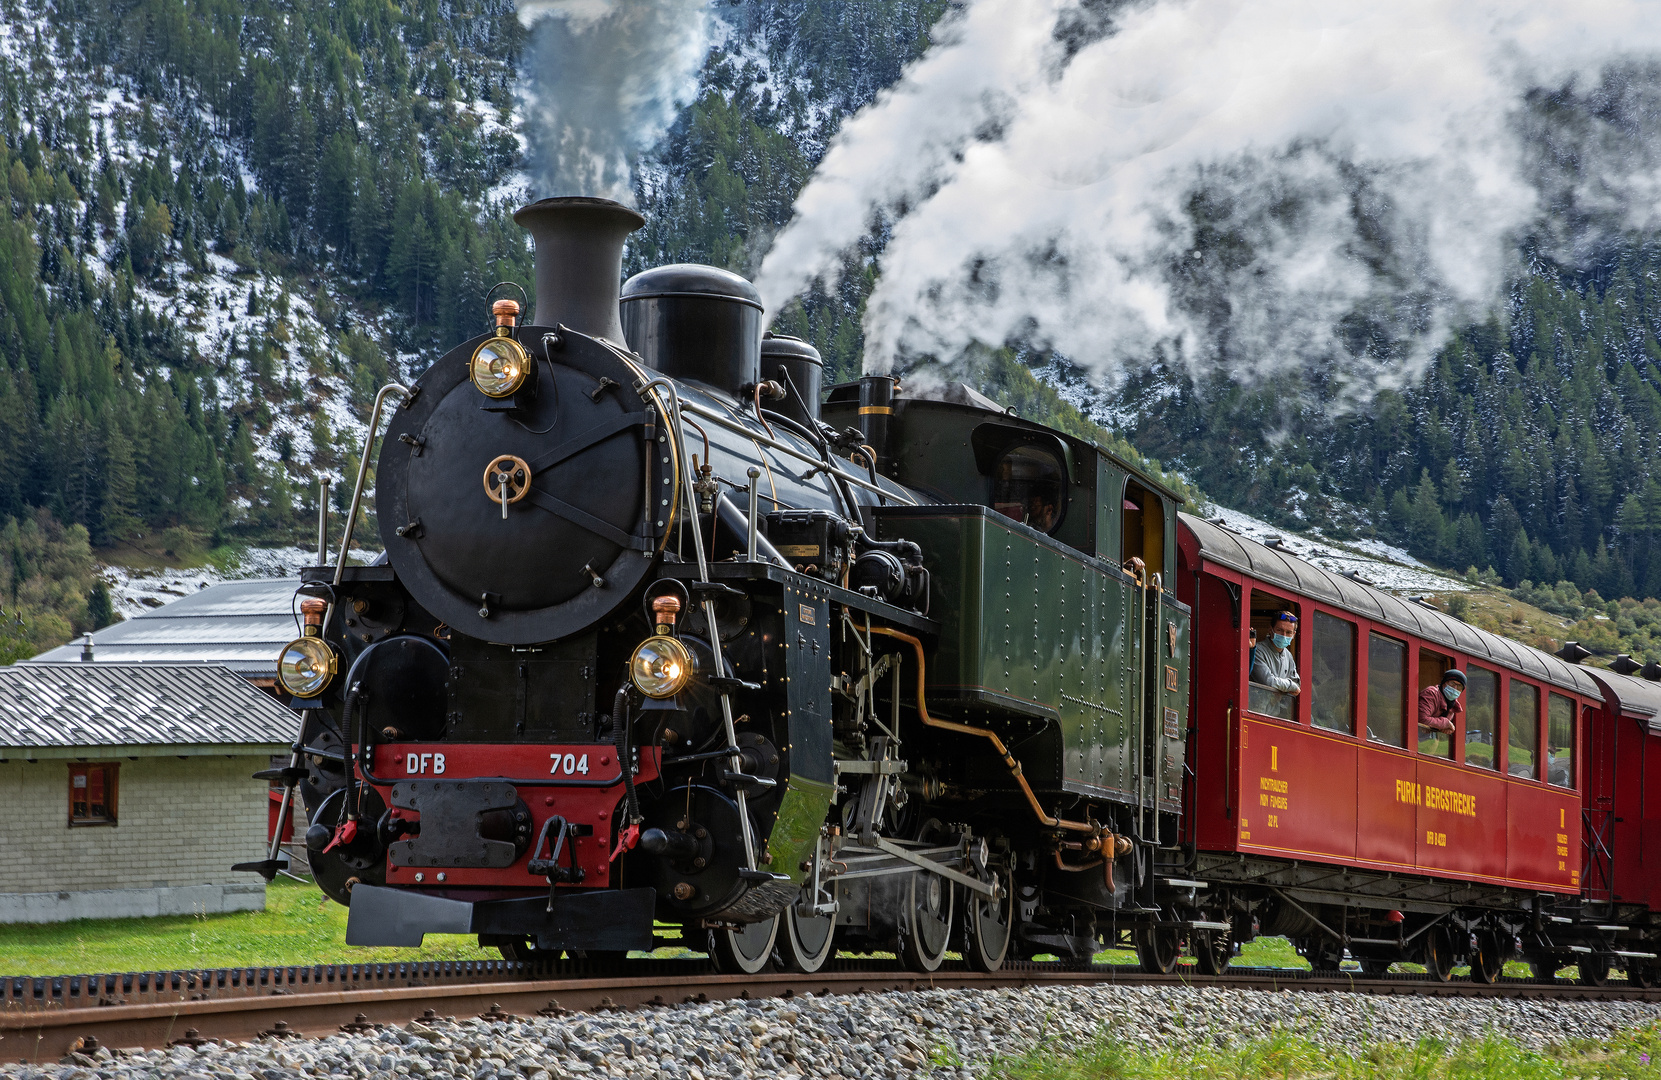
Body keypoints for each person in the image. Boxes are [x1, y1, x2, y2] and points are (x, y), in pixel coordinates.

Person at [1251, 613, 1301, 695]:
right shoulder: (1258, 651)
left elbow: (1297, 684)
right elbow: (1268, 682)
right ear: (1270, 630)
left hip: (1276, 707)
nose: (1284, 636)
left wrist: (1285, 685)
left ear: (1293, 635)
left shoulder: (1288, 655)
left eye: (1288, 632)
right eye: (1279, 630)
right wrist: (1290, 685)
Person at [1419, 669, 1465, 735]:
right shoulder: (1430, 694)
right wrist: (1445, 723)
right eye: (1452, 683)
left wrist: (1445, 728)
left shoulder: (1453, 705)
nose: (1455, 688)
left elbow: (1439, 726)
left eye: (1459, 686)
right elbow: (1422, 719)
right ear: (1444, 683)